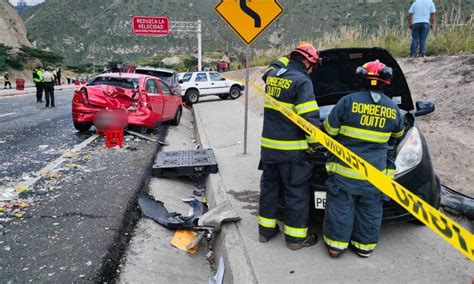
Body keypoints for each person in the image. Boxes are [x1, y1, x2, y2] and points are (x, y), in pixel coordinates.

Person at [322, 60, 405, 258]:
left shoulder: (347, 101)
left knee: (341, 208)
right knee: (370, 211)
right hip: (374, 175)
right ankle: (363, 248)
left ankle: (336, 247)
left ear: (361, 77)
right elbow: (397, 135)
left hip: (345, 173)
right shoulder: (392, 108)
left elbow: (330, 130)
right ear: (386, 81)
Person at [258, 42, 321, 250]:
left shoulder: (273, 76)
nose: (312, 70)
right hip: (291, 151)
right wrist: (316, 146)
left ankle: (265, 232)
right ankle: (295, 239)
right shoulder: (302, 82)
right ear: (307, 62)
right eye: (313, 65)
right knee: (295, 193)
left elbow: (269, 68)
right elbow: (309, 119)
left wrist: (288, 57)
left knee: (269, 190)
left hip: (269, 150)